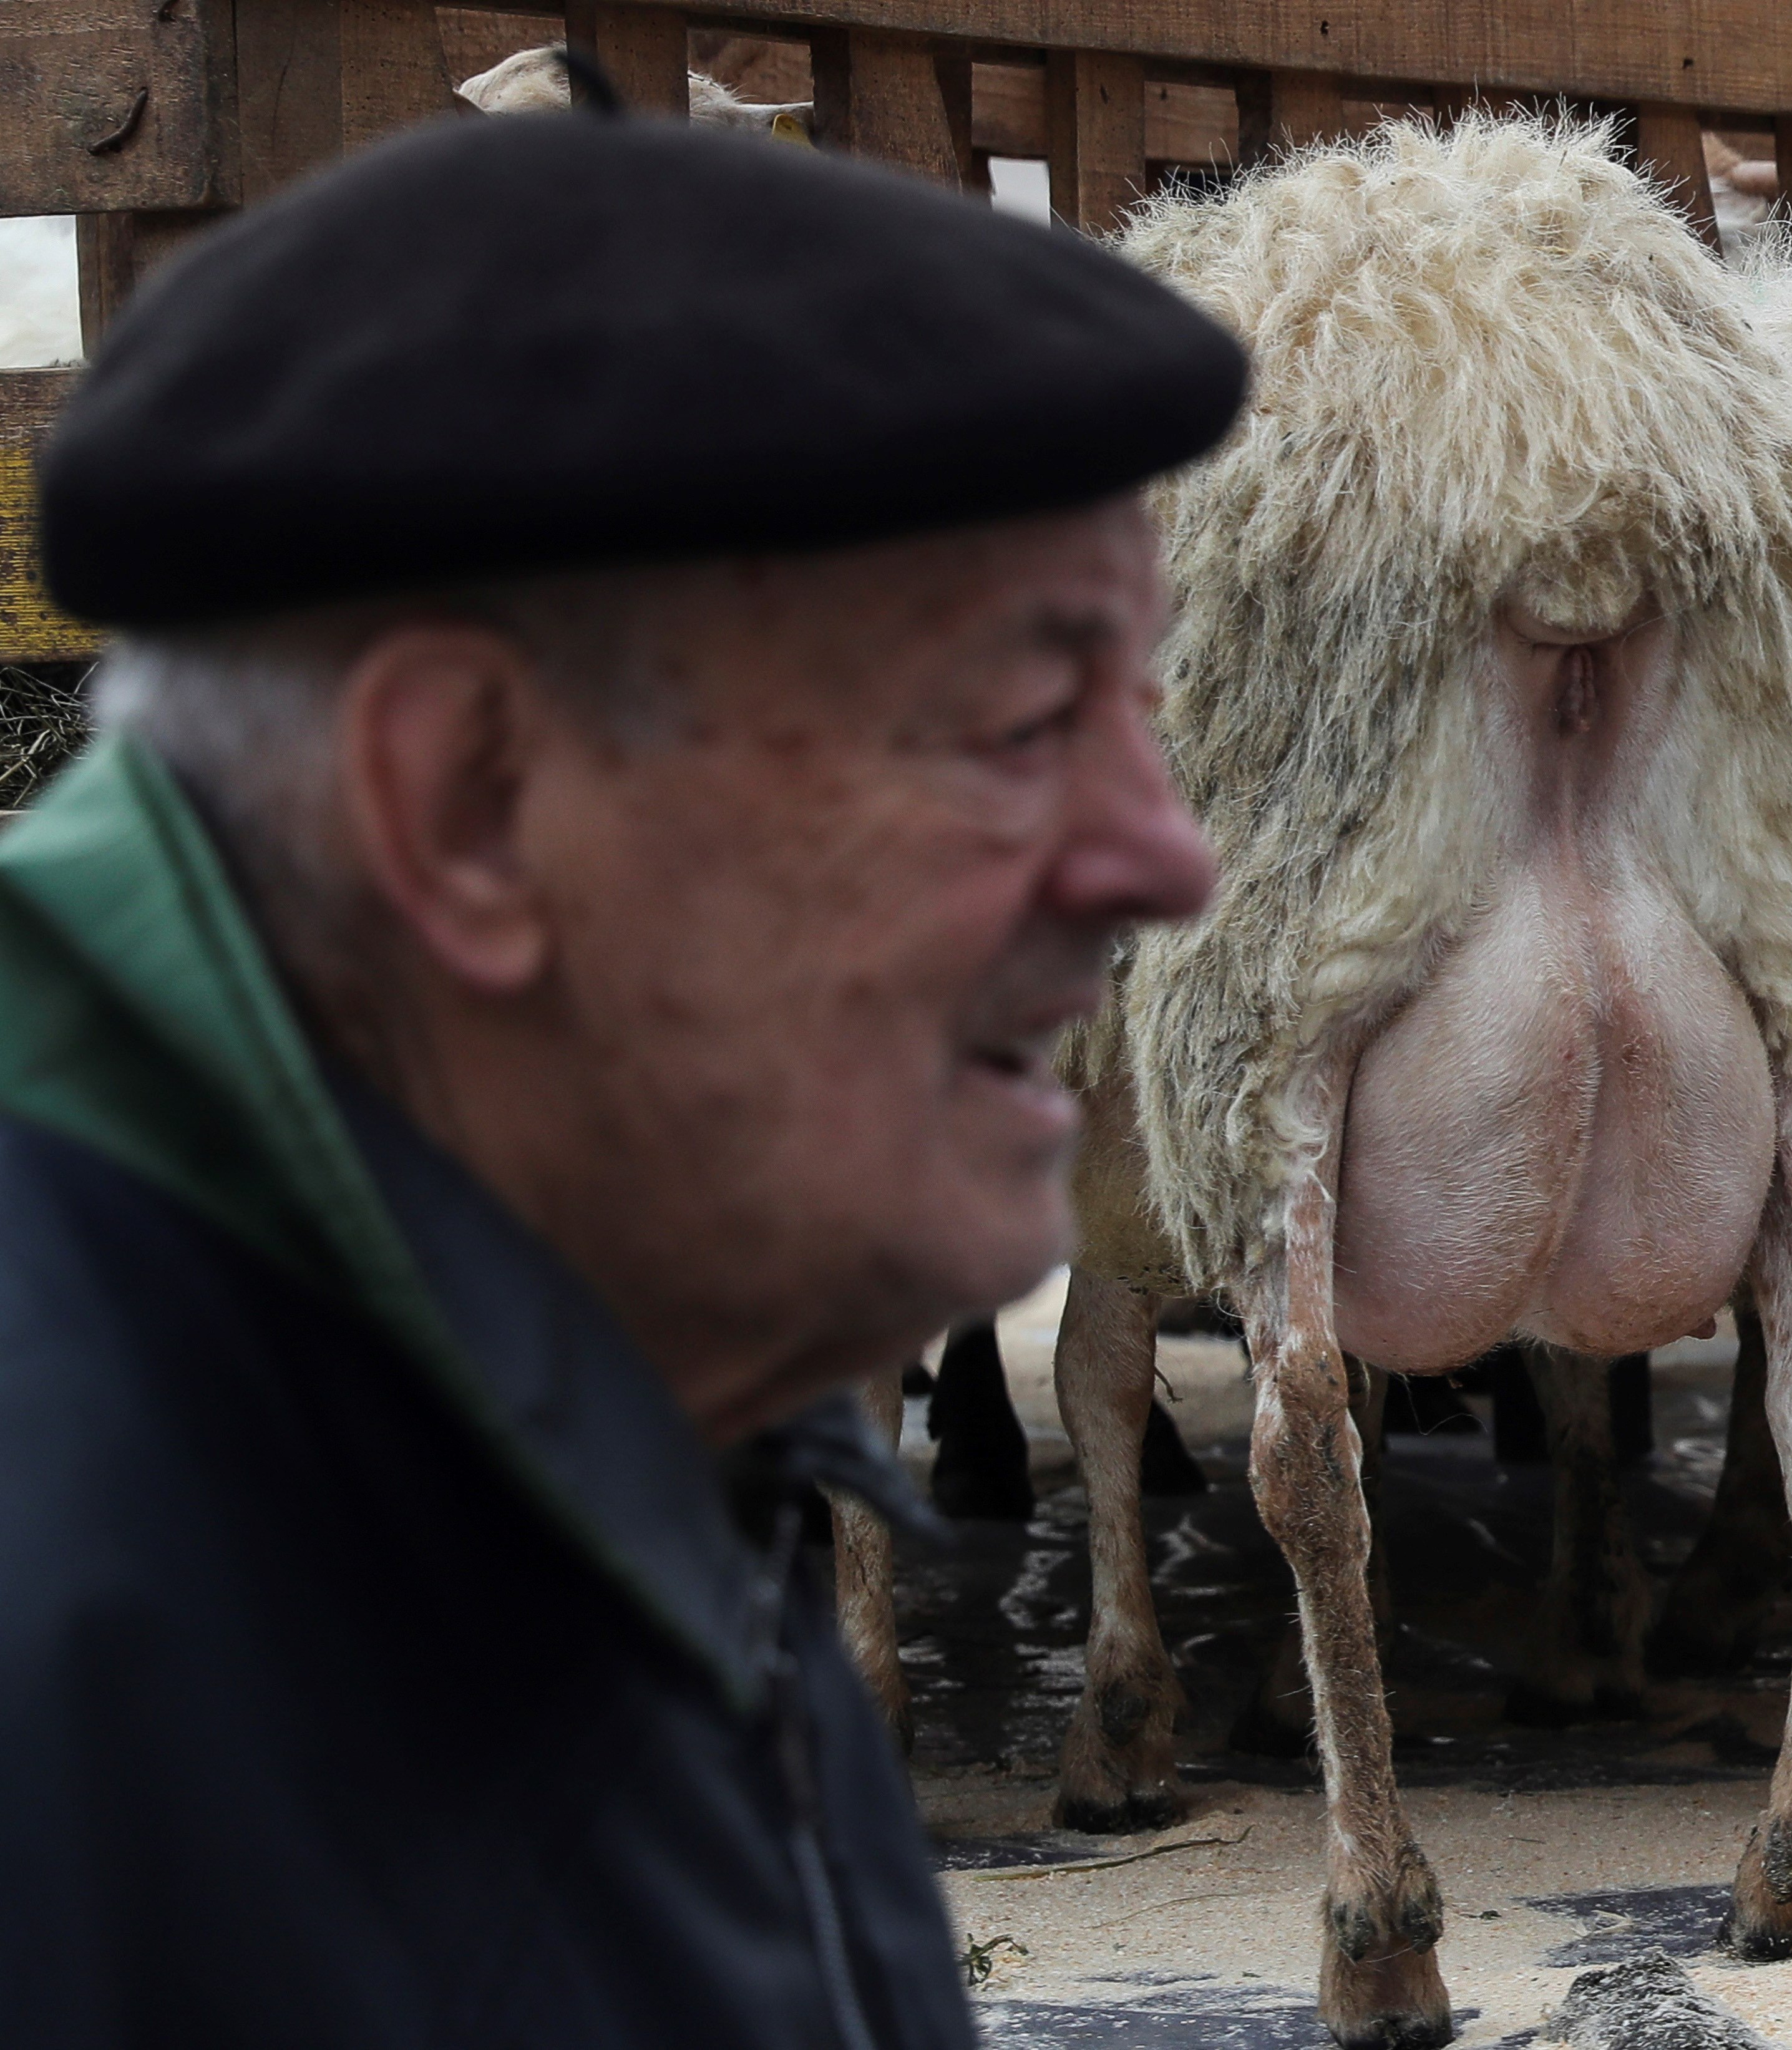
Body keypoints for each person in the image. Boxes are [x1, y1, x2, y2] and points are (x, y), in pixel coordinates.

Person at [0, 97, 1240, 2048]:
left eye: (1143, 717)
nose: (1166, 863)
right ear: (472, 801)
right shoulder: (86, 1615)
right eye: (1016, 721)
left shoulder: (616, 1400)